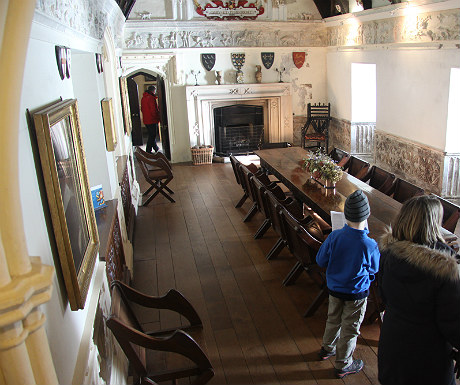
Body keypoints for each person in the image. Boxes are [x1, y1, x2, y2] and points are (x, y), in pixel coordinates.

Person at [378, 195, 460, 385]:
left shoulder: (389, 252)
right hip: (428, 353)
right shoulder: (445, 267)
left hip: (393, 341)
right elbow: (453, 321)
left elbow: (383, 295)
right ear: (433, 224)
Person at [316, 189, 380, 378]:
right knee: (350, 328)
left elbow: (320, 260)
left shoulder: (335, 237)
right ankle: (343, 364)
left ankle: (327, 348)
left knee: (333, 319)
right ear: (367, 216)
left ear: (346, 215)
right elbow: (374, 269)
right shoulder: (369, 244)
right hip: (356, 293)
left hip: (334, 289)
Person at [141, 85, 160, 153]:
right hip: (152, 119)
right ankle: (148, 150)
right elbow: (153, 110)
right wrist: (158, 117)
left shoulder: (143, 98)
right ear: (153, 91)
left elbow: (142, 109)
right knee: (153, 135)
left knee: (151, 134)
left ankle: (156, 148)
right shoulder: (151, 98)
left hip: (146, 119)